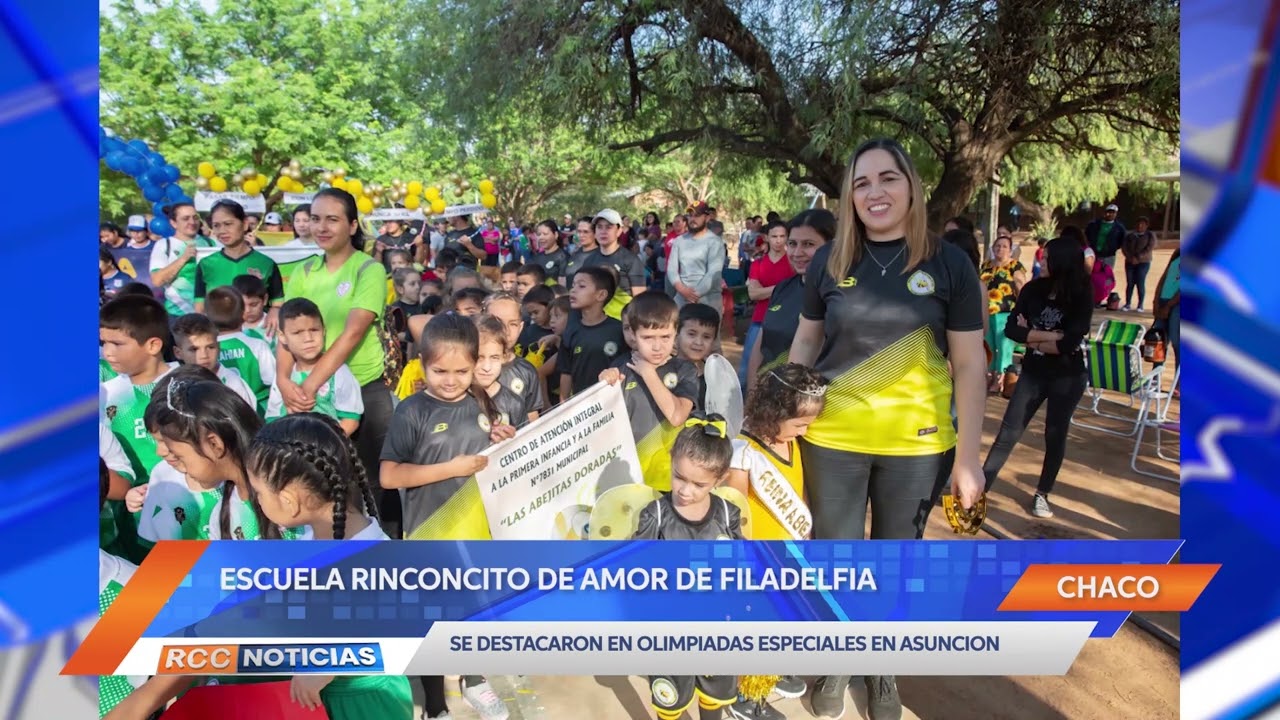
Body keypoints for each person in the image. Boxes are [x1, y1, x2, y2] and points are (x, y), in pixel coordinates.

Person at [787, 138, 985, 720]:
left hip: (917, 446)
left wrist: (969, 459)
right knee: (836, 556)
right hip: (833, 438)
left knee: (896, 560)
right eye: (862, 182)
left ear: (911, 187)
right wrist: (782, 409)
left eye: (888, 179)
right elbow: (805, 340)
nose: (875, 192)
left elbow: (971, 364)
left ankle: (881, 667)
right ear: (848, 195)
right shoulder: (830, 261)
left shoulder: (948, 264)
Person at [379, 314, 515, 720]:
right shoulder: (411, 410)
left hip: (477, 530)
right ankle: (435, 706)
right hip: (429, 534)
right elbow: (388, 476)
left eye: (462, 370)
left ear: (476, 365)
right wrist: (449, 469)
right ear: (422, 364)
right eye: (440, 371)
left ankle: (474, 680)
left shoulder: (483, 401)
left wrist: (503, 438)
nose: (452, 380)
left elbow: (489, 455)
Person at [246, 412, 414, 719]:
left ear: (288, 501)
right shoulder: (312, 536)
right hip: (321, 699)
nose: (256, 500)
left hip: (368, 701)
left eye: (259, 492)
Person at [279, 188, 394, 534]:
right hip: (310, 395)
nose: (322, 227)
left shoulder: (368, 270)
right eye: (315, 218)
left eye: (332, 219)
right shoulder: (302, 272)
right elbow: (287, 331)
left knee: (373, 485)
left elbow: (352, 334)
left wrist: (309, 384)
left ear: (352, 224)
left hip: (362, 389)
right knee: (323, 484)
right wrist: (285, 381)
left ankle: (391, 558)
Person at [726, 364, 827, 720]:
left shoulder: (790, 442)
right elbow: (735, 510)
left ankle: (772, 671)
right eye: (799, 424)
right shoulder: (743, 451)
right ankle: (747, 698)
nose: (804, 431)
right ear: (774, 412)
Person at [634, 417, 740, 720]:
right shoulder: (654, 514)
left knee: (714, 695)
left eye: (699, 484)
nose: (686, 490)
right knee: (671, 700)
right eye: (679, 477)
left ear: (720, 479)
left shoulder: (727, 513)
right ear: (671, 462)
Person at [982, 237, 1094, 518]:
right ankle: (981, 487)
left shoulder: (1081, 293)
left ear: (1063, 263)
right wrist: (1049, 338)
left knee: (1054, 435)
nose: (1040, 262)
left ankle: (1043, 493)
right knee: (1008, 432)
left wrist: (1033, 337)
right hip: (1033, 372)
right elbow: (1012, 330)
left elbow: (1069, 343)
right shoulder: (1033, 289)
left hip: (1067, 377)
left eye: (1047, 260)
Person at [599, 293, 698, 490]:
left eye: (665, 337)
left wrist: (648, 372)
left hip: (669, 479)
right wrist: (603, 386)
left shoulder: (685, 370)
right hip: (629, 475)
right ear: (633, 335)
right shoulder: (620, 367)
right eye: (648, 338)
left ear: (675, 332)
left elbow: (677, 416)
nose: (657, 346)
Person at [745, 209, 836, 392]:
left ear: (831, 245)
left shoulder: (838, 295)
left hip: (806, 399)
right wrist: (751, 391)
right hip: (767, 396)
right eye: (792, 244)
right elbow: (760, 345)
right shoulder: (782, 288)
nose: (797, 252)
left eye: (808, 244)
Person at [100, 294, 174, 485]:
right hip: (131, 509)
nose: (107, 352)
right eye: (103, 343)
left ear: (153, 345)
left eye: (116, 344)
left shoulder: (190, 385)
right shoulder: (104, 395)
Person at [265, 298, 364, 435]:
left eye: (314, 330)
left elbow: (350, 421)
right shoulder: (283, 378)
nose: (308, 338)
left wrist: (325, 447)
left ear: (323, 331)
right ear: (282, 337)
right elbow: (273, 420)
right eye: (297, 332)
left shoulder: (339, 372)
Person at [194, 200, 284, 325]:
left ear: (245, 224)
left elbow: (277, 302)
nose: (222, 231)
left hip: (258, 336)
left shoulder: (266, 263)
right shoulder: (206, 265)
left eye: (228, 224)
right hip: (219, 337)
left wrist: (275, 310)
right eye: (216, 225)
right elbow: (199, 308)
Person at [738, 220, 794, 386]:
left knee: (784, 370)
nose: (778, 240)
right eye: (774, 236)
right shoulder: (758, 264)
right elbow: (753, 294)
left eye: (782, 236)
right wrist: (784, 287)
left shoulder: (794, 262)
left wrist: (765, 291)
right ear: (766, 238)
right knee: (747, 368)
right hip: (759, 320)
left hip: (787, 323)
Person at [559, 266, 628, 398]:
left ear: (601, 295)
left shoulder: (619, 330)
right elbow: (566, 373)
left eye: (581, 286)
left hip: (613, 404)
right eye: (573, 285)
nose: (573, 290)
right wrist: (564, 405)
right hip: (582, 408)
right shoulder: (570, 331)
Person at [207, 286, 275, 416]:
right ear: (242, 313)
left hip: (221, 413)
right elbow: (273, 381)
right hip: (258, 413)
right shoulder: (257, 345)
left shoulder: (207, 350)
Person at [171, 313, 255, 408]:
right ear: (178, 353)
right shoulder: (174, 384)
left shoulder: (233, 385)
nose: (204, 355)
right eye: (194, 349)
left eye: (210, 347)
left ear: (218, 347)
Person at [980, 232, 1029, 394]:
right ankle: (990, 376)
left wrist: (1023, 309)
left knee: (1004, 346)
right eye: (997, 246)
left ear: (1010, 250)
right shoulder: (986, 265)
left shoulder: (1015, 266)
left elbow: (1021, 287)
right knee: (989, 346)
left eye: (1004, 246)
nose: (1000, 249)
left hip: (1006, 312)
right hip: (986, 313)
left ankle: (1002, 380)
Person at [149, 201, 217, 317]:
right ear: (174, 223)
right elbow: (157, 280)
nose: (192, 222)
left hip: (208, 314)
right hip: (177, 314)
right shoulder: (164, 245)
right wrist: (183, 258)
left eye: (195, 218)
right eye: (185, 219)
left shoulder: (210, 243)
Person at [485, 293, 545, 422]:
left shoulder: (527, 370)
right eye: (497, 322)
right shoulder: (469, 366)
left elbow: (532, 417)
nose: (505, 330)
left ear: (520, 327)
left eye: (512, 324)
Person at [669, 202, 726, 313]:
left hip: (708, 300)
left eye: (697, 215)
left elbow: (713, 272)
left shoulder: (715, 242)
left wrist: (694, 295)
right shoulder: (679, 241)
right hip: (682, 298)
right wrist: (681, 289)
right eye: (690, 215)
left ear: (707, 217)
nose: (692, 219)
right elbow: (671, 269)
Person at [583, 208, 648, 306]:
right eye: (599, 227)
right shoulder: (589, 260)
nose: (603, 231)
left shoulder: (631, 260)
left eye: (609, 227)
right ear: (595, 232)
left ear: (619, 231)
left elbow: (640, 301)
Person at [474, 314, 530, 427]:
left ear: (504, 357)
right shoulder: (454, 399)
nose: (486, 367)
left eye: (494, 358)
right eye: (479, 358)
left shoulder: (514, 403)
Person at [676, 303, 720, 410]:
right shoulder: (664, 371)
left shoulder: (715, 376)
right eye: (691, 334)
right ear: (676, 334)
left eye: (706, 337)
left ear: (714, 341)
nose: (699, 342)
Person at [1153, 248, 1181, 373]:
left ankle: (1179, 381)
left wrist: (1169, 306)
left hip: (1178, 304)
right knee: (1158, 341)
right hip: (1163, 300)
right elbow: (1164, 277)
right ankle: (1155, 378)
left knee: (1177, 342)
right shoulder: (1177, 253)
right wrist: (1156, 301)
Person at [1121, 217, 1157, 312]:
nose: (1140, 226)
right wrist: (1130, 257)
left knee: (1140, 282)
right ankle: (1127, 303)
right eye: (1138, 223)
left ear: (1146, 225)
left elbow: (1149, 248)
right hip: (1130, 262)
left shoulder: (1150, 235)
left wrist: (1138, 257)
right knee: (1130, 283)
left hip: (1143, 263)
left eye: (1142, 224)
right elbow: (1124, 247)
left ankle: (1140, 305)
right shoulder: (1130, 235)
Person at [233, 273, 276, 351]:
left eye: (253, 304)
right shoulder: (230, 328)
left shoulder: (275, 323)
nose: (248, 310)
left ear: (265, 299)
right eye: (242, 305)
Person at [1085, 203, 1126, 269]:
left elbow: (1122, 240)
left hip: (1109, 255)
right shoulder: (1094, 224)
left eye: (1113, 213)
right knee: (1093, 272)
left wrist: (1113, 247)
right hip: (1095, 253)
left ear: (1116, 214)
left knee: (1107, 273)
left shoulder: (1119, 228)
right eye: (1109, 212)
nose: (1110, 214)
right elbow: (1087, 234)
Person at [563, 216, 598, 285]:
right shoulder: (574, 254)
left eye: (586, 232)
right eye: (579, 231)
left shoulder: (601, 256)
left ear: (595, 233)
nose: (581, 235)